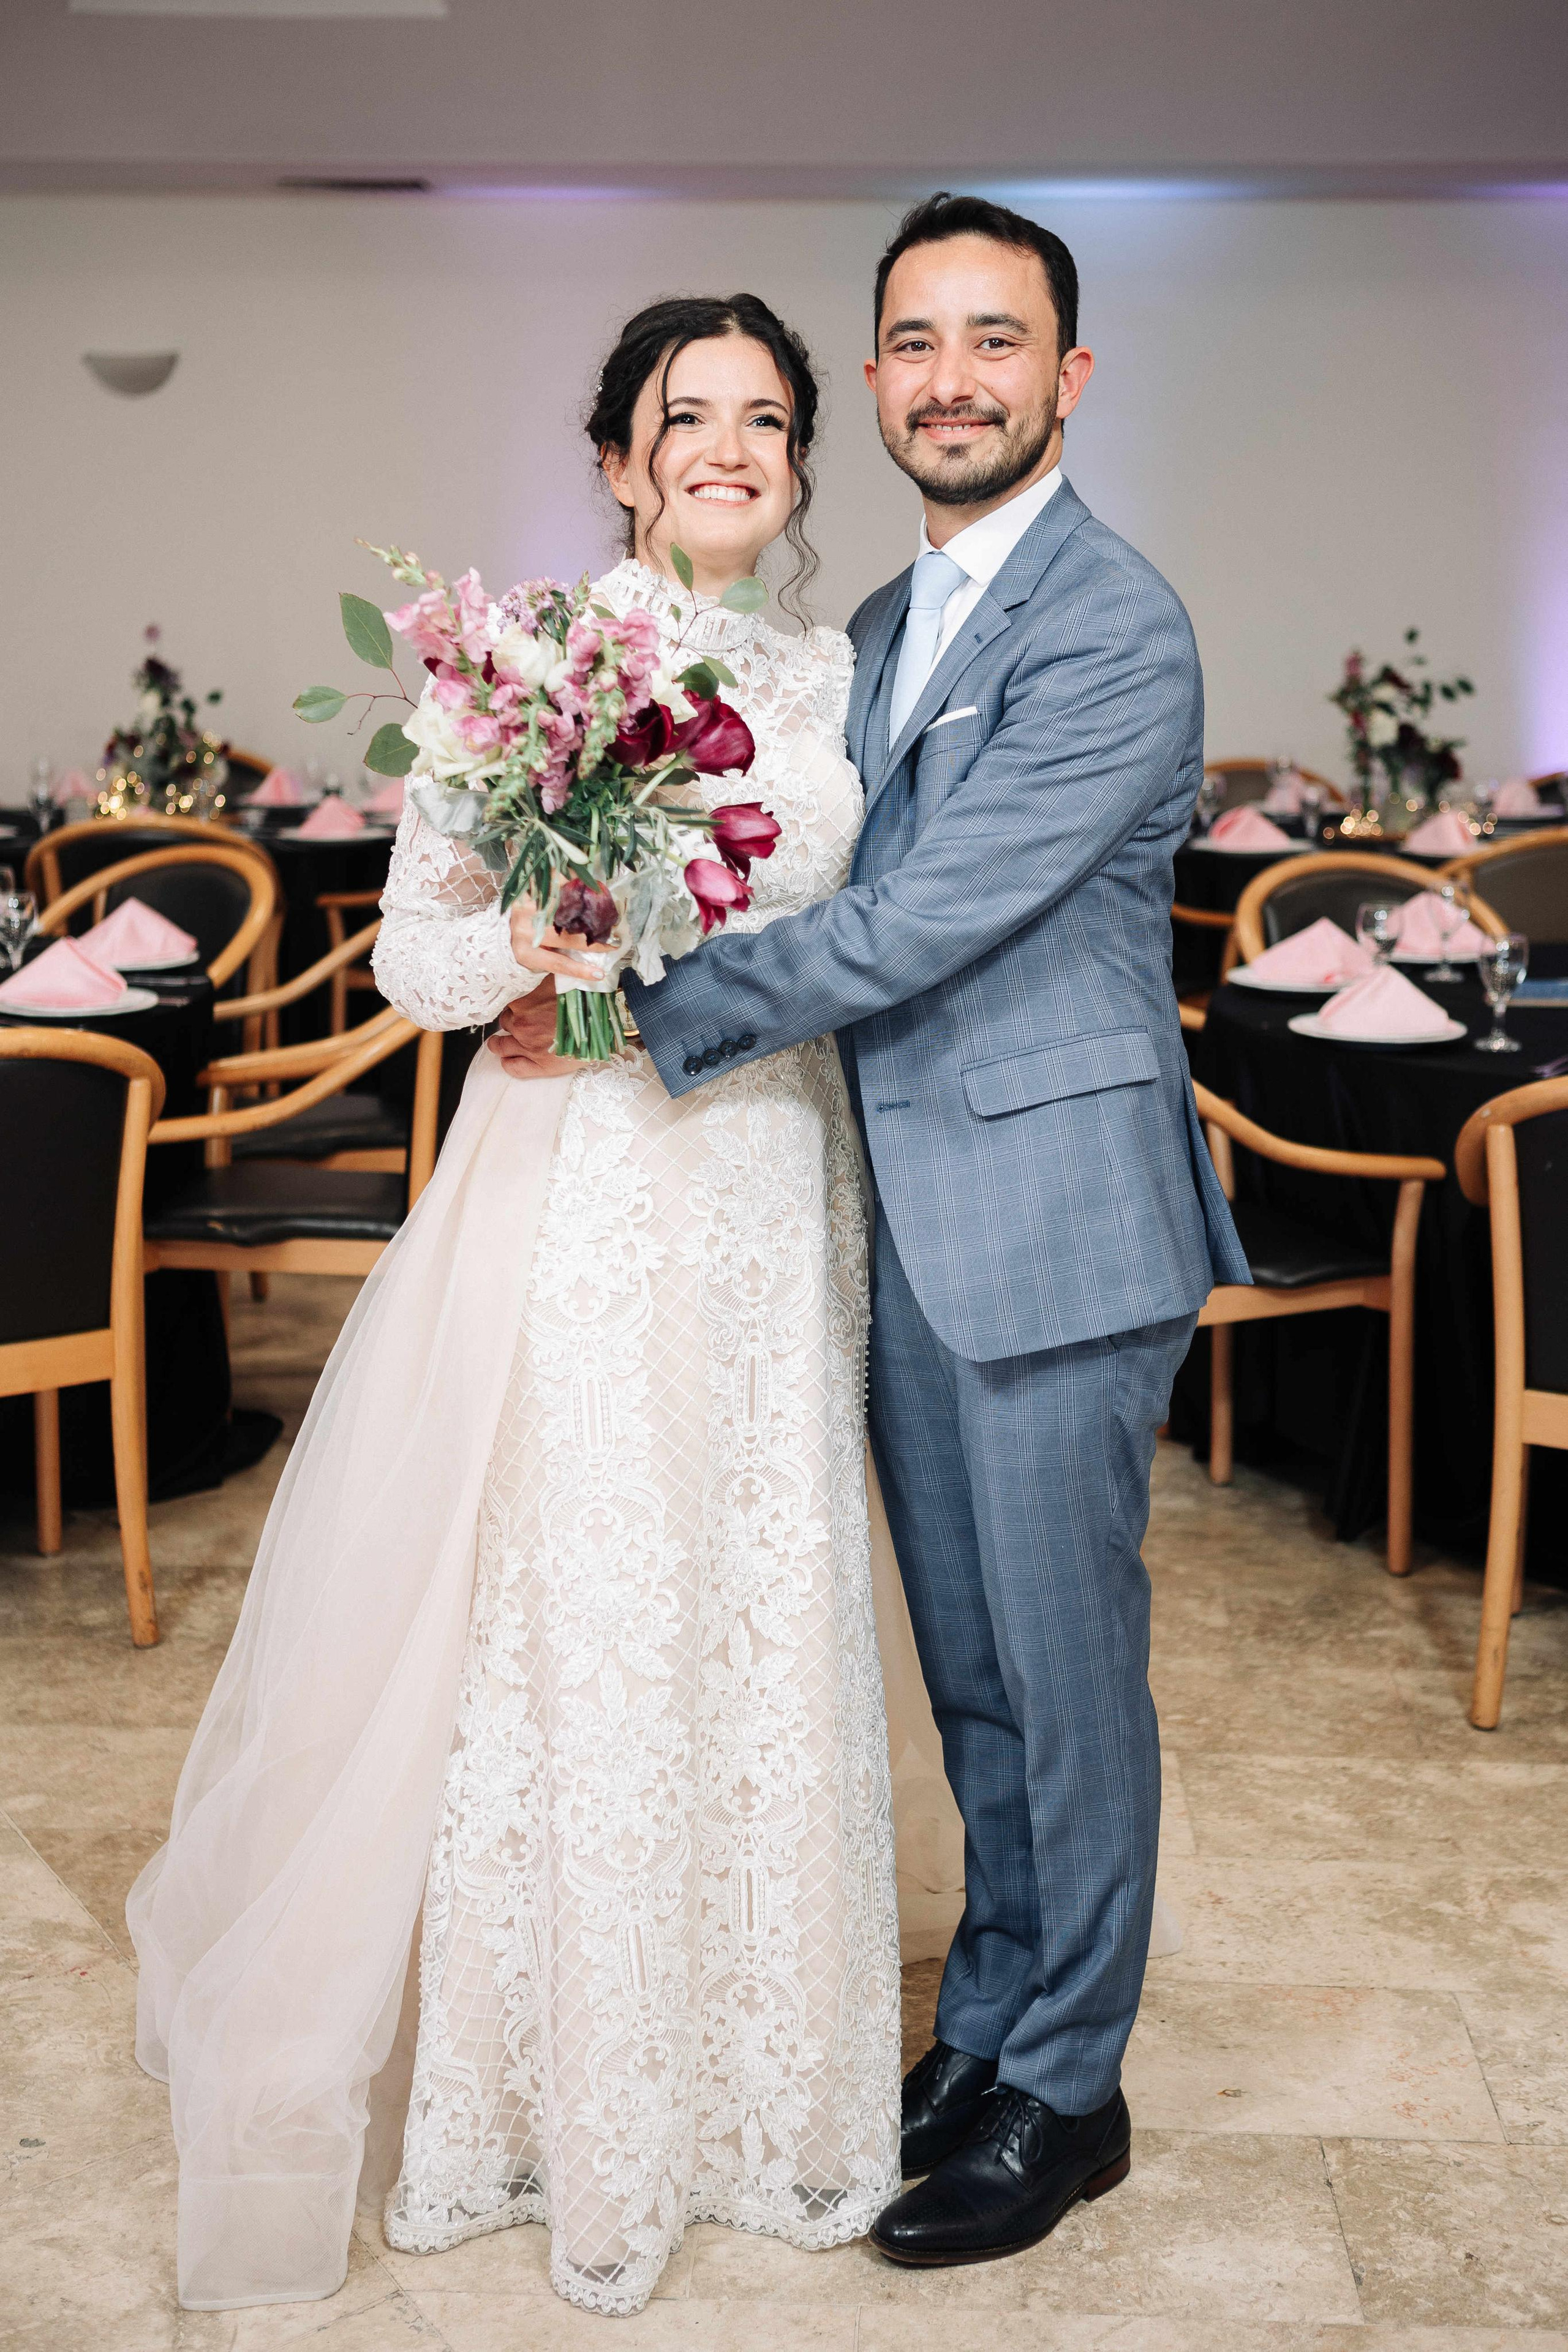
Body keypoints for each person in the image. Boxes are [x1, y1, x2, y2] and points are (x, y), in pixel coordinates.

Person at [128, 293, 902, 2317]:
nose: (727, 445)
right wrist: (543, 949)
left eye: (763, 418)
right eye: (686, 414)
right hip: (595, 1190)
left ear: (803, 463)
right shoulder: (533, 665)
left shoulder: (837, 677)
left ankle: (762, 2099)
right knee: (586, 1619)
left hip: (776, 1183)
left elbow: (864, 931)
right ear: (620, 454)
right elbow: (410, 957)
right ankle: (556, 2109)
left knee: (760, 1606)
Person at [496, 195, 1249, 2269]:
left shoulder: (1113, 621)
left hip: (1054, 1212)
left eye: (993, 343)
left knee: (1071, 1676)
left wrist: (648, 1010)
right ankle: (995, 2021)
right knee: (979, 1681)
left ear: (1067, 378)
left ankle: (1070, 2091)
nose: (949, 379)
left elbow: (921, 918)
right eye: (912, 344)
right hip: (895, 1212)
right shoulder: (887, 635)